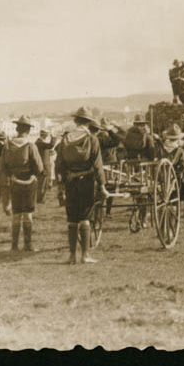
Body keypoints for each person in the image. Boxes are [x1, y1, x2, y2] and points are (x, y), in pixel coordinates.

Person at [55, 106, 106, 264]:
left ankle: (71, 256)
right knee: (85, 217)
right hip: (87, 181)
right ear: (89, 122)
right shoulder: (91, 139)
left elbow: (59, 164)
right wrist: (102, 185)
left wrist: (60, 184)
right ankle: (85, 255)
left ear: (76, 121)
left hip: (70, 181)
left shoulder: (65, 139)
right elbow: (98, 165)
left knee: (72, 219)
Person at [2, 118, 43, 252]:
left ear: (17, 129)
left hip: (14, 181)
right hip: (29, 182)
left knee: (16, 213)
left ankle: (14, 246)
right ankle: (28, 244)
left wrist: (11, 175)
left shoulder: (7, 145)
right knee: (28, 213)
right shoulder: (30, 145)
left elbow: (3, 167)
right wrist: (33, 175)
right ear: (29, 130)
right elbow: (39, 167)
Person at [35, 129, 55, 203]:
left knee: (41, 183)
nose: (47, 136)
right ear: (43, 135)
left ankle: (40, 199)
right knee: (43, 183)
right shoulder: (40, 143)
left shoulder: (39, 143)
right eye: (46, 135)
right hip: (43, 166)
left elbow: (44, 150)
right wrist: (53, 137)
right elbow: (51, 145)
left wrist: (49, 152)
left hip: (41, 165)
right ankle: (41, 199)